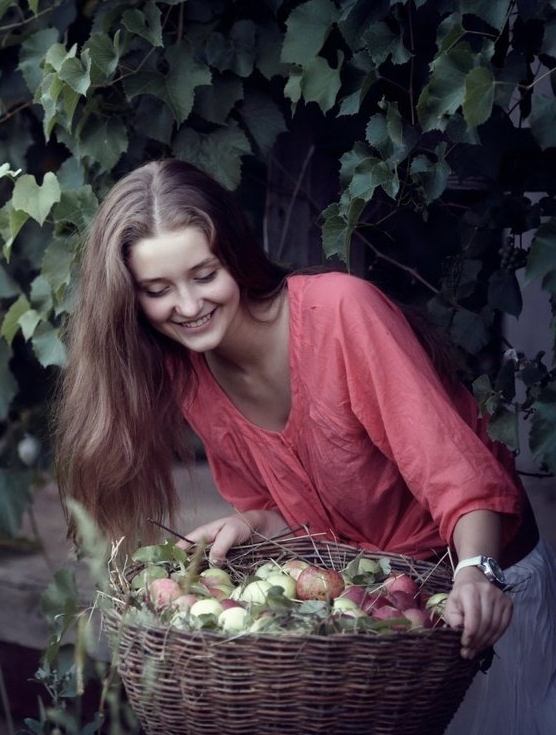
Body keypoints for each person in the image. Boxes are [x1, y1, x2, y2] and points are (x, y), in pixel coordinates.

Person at [54, 157, 555, 733]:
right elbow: (310, 523)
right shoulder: (188, 375)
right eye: (158, 290)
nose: (188, 307)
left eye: (204, 274)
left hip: (478, 597)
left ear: (235, 257)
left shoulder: (342, 313)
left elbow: (460, 476)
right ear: (131, 298)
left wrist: (477, 571)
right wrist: (255, 523)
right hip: (372, 618)